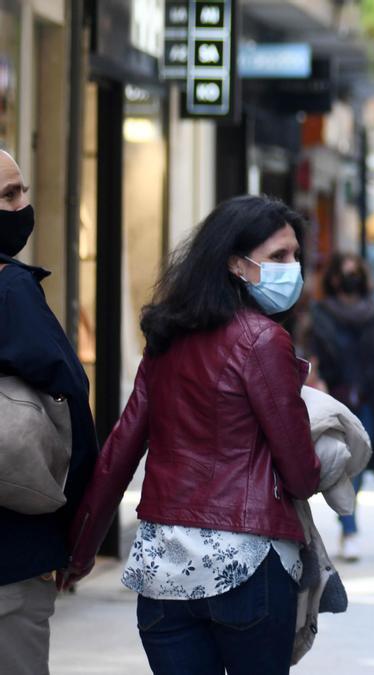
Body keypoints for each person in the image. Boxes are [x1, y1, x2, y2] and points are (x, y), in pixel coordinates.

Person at [64, 196, 323, 675]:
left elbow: (119, 450)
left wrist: (79, 552)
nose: (294, 268)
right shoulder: (263, 340)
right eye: (278, 257)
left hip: (164, 567)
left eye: (295, 256)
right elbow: (302, 474)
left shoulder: (167, 336)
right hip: (248, 565)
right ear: (235, 264)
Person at [0, 150, 99, 675]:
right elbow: (72, 412)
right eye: (9, 196)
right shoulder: (10, 289)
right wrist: (78, 530)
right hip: (12, 552)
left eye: (23, 190)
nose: (23, 205)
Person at [308, 252, 374, 562]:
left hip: (370, 400)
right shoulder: (320, 314)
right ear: (334, 278)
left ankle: (348, 521)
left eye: (355, 272)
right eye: (345, 272)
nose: (351, 278)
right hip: (335, 399)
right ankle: (350, 528)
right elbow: (312, 357)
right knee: (342, 462)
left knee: (360, 463)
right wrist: (315, 383)